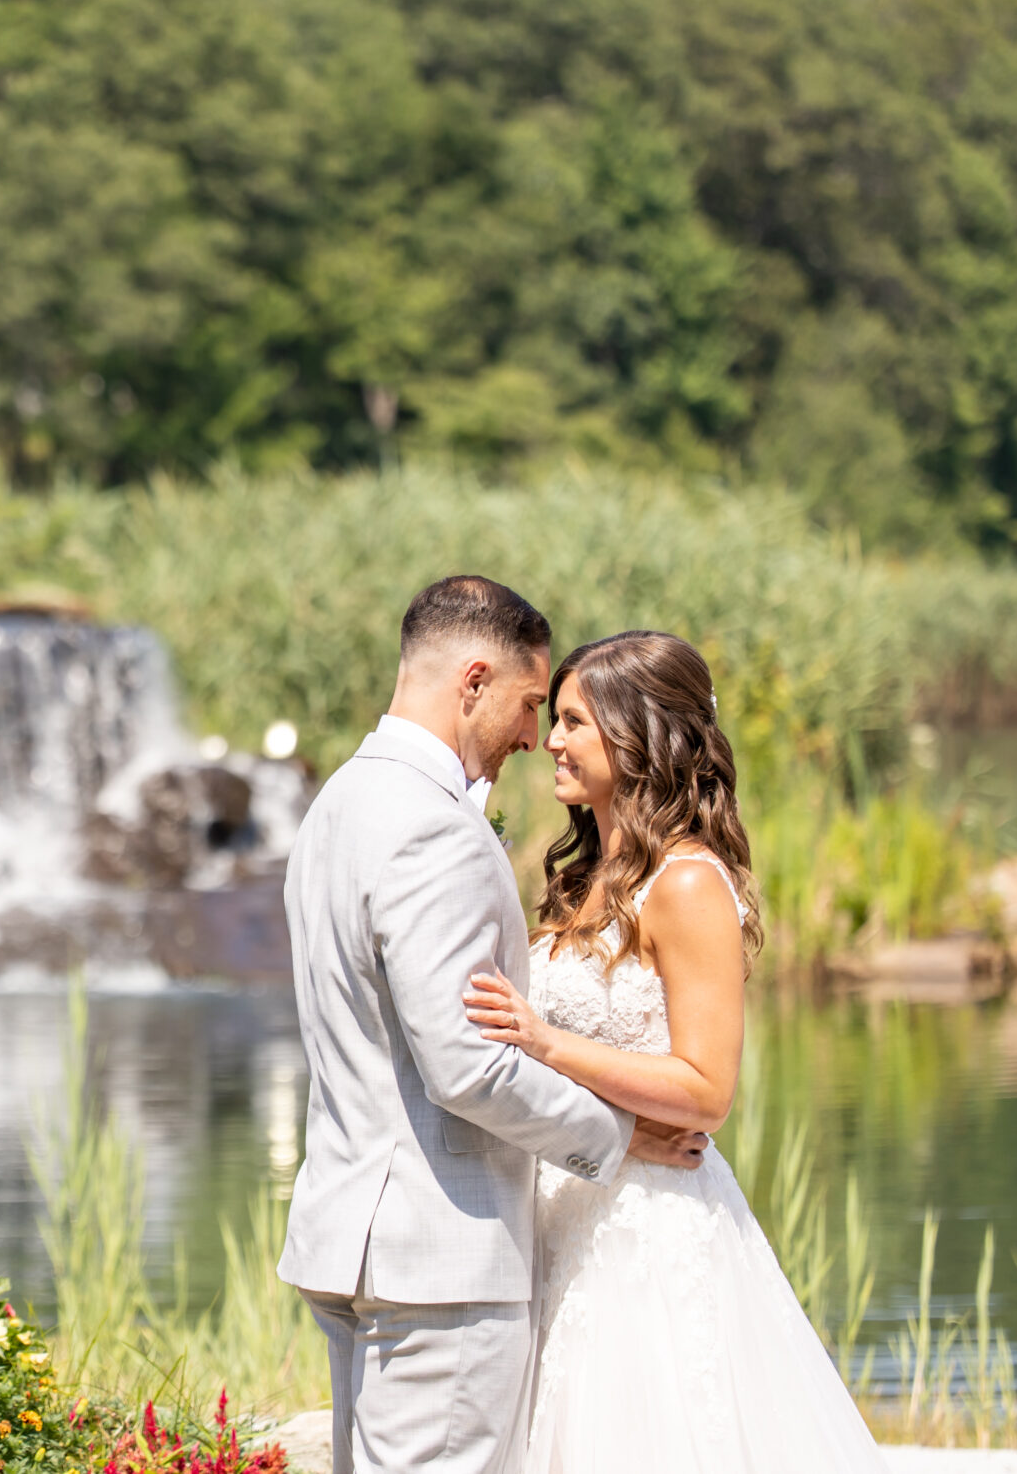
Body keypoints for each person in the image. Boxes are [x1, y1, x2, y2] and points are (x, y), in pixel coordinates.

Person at [277, 577, 705, 1474]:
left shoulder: (336, 806)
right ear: (472, 680)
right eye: (525, 702)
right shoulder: (434, 828)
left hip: (354, 1243)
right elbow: (467, 1067)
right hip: (439, 1258)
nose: (530, 734)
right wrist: (616, 1136)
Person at [461, 630, 887, 1472]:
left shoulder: (688, 882)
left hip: (649, 1228)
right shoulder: (584, 874)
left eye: (575, 721)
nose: (551, 739)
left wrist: (546, 1038)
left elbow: (705, 1088)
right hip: (566, 1211)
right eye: (555, 719)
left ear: (638, 735)